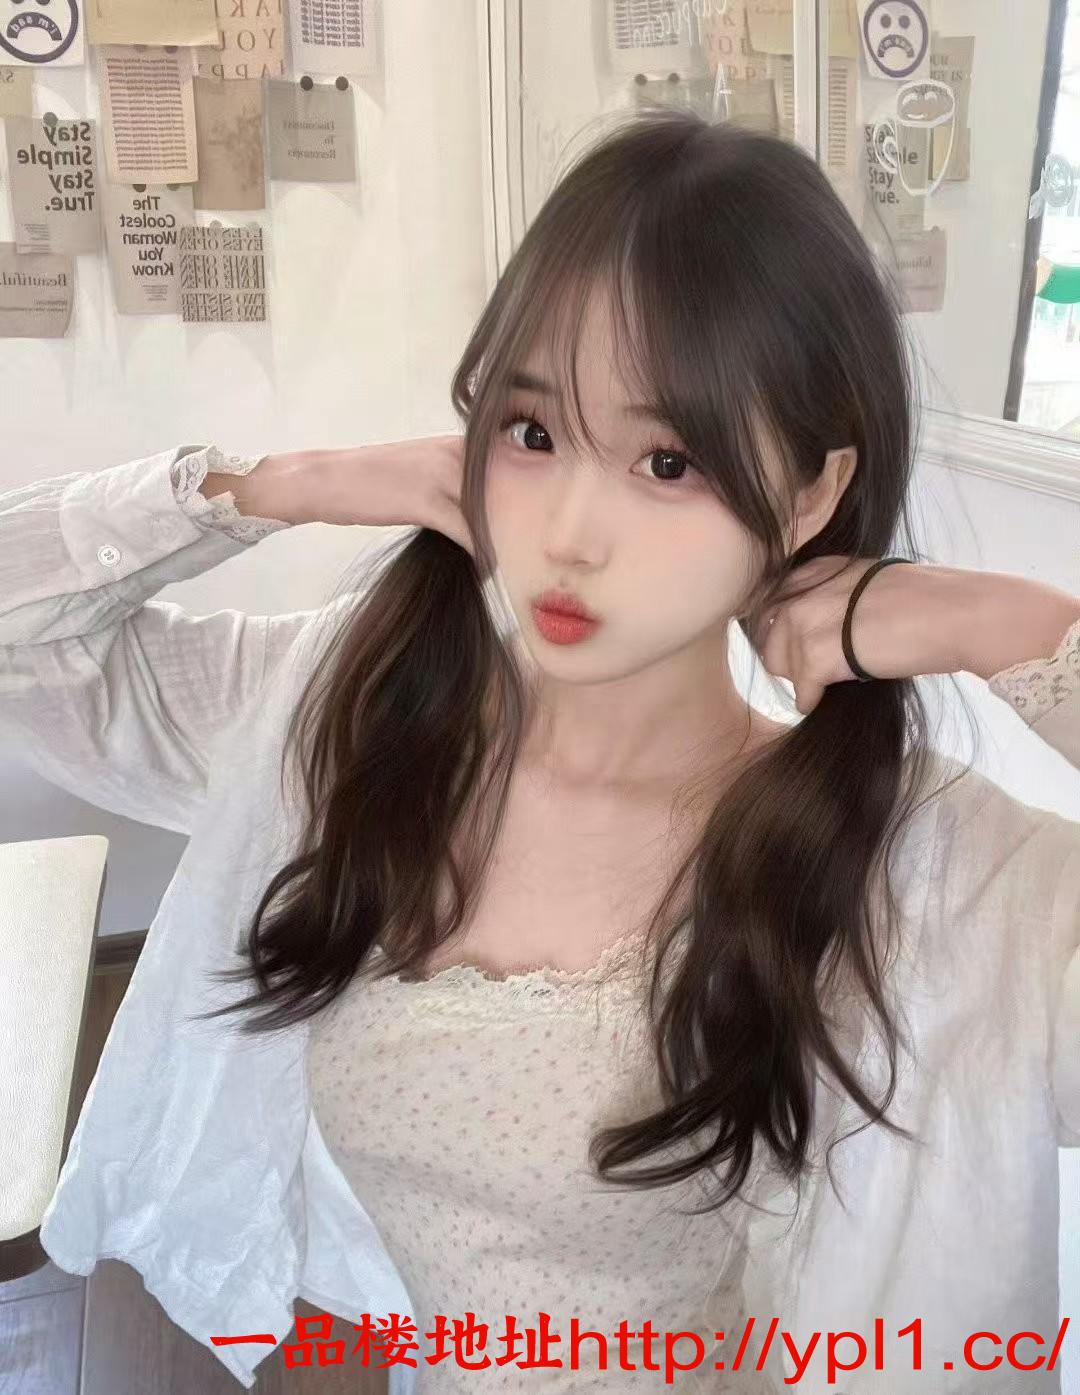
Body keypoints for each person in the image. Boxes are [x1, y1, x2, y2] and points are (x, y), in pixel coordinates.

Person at [2, 108, 1077, 1393]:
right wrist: (278, 485)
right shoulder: (358, 722)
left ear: (807, 495)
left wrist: (1030, 634)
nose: (569, 533)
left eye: (666, 461)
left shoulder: (911, 870)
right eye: (532, 432)